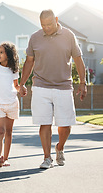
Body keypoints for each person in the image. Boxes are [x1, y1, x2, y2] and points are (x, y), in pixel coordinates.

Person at [19, 9, 87, 169]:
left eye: (49, 24)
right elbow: (29, 62)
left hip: (63, 86)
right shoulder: (35, 37)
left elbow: (78, 59)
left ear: (56, 20)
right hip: (41, 85)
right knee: (44, 123)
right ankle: (47, 157)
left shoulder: (68, 35)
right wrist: (22, 83)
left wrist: (83, 82)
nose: (47, 28)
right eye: (43, 25)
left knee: (65, 125)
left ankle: (60, 148)